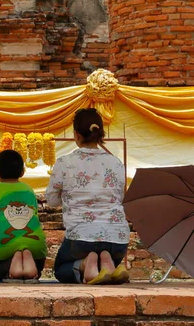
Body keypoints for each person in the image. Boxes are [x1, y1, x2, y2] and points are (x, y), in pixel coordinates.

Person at [46, 108, 130, 285]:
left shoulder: (64, 162)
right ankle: (109, 263)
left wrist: (70, 196)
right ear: (101, 134)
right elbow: (121, 197)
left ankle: (86, 264)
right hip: (118, 239)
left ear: (76, 135)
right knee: (106, 250)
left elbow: (52, 201)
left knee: (60, 269)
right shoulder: (115, 162)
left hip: (81, 240)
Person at [0, 149, 47, 283]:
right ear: (22, 172)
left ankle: (12, 266)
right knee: (33, 257)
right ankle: (27, 260)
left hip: (4, 248)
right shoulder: (29, 190)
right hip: (36, 247)